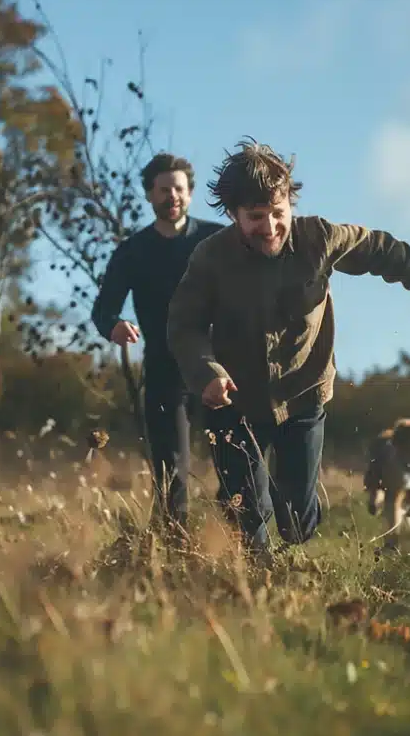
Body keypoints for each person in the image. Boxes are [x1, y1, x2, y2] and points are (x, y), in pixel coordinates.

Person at [166, 138, 410, 555]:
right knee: (248, 513)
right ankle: (256, 578)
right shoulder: (210, 259)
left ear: (290, 203)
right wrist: (206, 373)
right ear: (233, 215)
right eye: (255, 217)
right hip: (233, 401)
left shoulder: (318, 239)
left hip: (302, 397)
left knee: (296, 522)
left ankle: (270, 503)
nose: (269, 227)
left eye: (277, 213)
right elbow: (184, 325)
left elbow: (382, 250)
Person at [91, 153, 225, 535]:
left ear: (190, 193)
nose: (173, 196)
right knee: (172, 473)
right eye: (164, 189)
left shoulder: (215, 240)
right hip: (166, 370)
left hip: (220, 366)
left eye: (179, 189)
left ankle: (240, 551)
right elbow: (103, 309)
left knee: (235, 466)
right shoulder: (132, 251)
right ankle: (172, 553)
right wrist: (114, 326)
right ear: (149, 195)